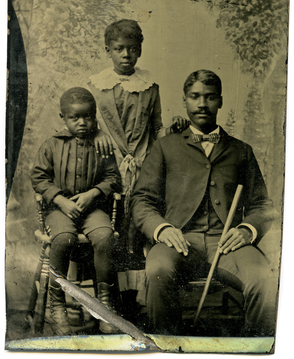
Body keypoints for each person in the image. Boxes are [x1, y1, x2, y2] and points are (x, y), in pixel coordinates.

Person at [131, 69, 277, 337]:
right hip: (178, 240)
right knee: (157, 270)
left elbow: (262, 206)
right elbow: (141, 201)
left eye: (209, 97)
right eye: (195, 97)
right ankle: (167, 347)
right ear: (185, 100)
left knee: (265, 280)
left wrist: (246, 230)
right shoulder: (165, 147)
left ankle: (255, 348)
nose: (202, 104)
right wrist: (162, 229)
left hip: (227, 245)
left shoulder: (241, 150)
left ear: (220, 101)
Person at [30, 88, 122, 335]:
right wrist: (60, 200)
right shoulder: (52, 145)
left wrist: (93, 193)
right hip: (60, 211)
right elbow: (38, 177)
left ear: (95, 116)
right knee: (63, 239)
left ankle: (104, 304)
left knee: (104, 237)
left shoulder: (100, 145)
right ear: (63, 117)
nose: (83, 123)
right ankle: (57, 305)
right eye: (75, 118)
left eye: (89, 117)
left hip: (92, 210)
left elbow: (114, 178)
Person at [88, 19, 189, 227]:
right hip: (105, 163)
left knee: (136, 218)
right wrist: (96, 133)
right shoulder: (97, 86)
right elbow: (82, 122)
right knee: (106, 220)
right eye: (119, 49)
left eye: (133, 49)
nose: (126, 54)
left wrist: (173, 128)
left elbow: (156, 131)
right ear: (109, 51)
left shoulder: (149, 87)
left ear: (140, 51)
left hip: (141, 165)